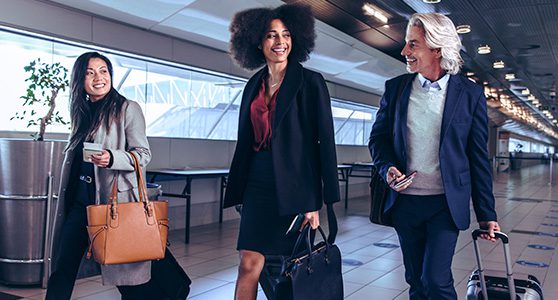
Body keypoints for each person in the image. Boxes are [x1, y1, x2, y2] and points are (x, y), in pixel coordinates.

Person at [368, 13, 501, 299]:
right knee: (415, 280)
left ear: (437, 49)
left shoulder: (470, 94)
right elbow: (378, 139)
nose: (405, 51)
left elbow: (478, 157)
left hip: (444, 205)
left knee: (436, 280)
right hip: (405, 204)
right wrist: (387, 167)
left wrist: (486, 214)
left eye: (413, 44)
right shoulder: (396, 89)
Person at [224, 4, 340, 299]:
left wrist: (318, 201)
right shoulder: (253, 85)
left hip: (296, 188)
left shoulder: (311, 83)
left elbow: (324, 143)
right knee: (248, 264)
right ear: (257, 43)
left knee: (292, 271)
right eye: (271, 36)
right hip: (257, 184)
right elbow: (246, 141)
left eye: (286, 35)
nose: (280, 42)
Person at [46, 52, 157, 300]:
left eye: (104, 70)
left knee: (127, 277)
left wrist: (112, 157)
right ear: (80, 79)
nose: (99, 77)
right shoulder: (82, 112)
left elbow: (143, 154)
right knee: (63, 268)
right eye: (90, 72)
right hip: (79, 204)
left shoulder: (127, 108)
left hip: (112, 204)